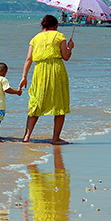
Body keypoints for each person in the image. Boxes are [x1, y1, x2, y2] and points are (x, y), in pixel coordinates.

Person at [20, 14, 73, 145]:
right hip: (56, 69)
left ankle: (26, 136)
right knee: (59, 103)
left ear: (43, 26)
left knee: (36, 102)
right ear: (55, 26)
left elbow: (28, 59)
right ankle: (55, 138)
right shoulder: (60, 36)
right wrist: (70, 48)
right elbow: (66, 56)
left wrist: (24, 77)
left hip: (39, 70)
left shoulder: (35, 38)